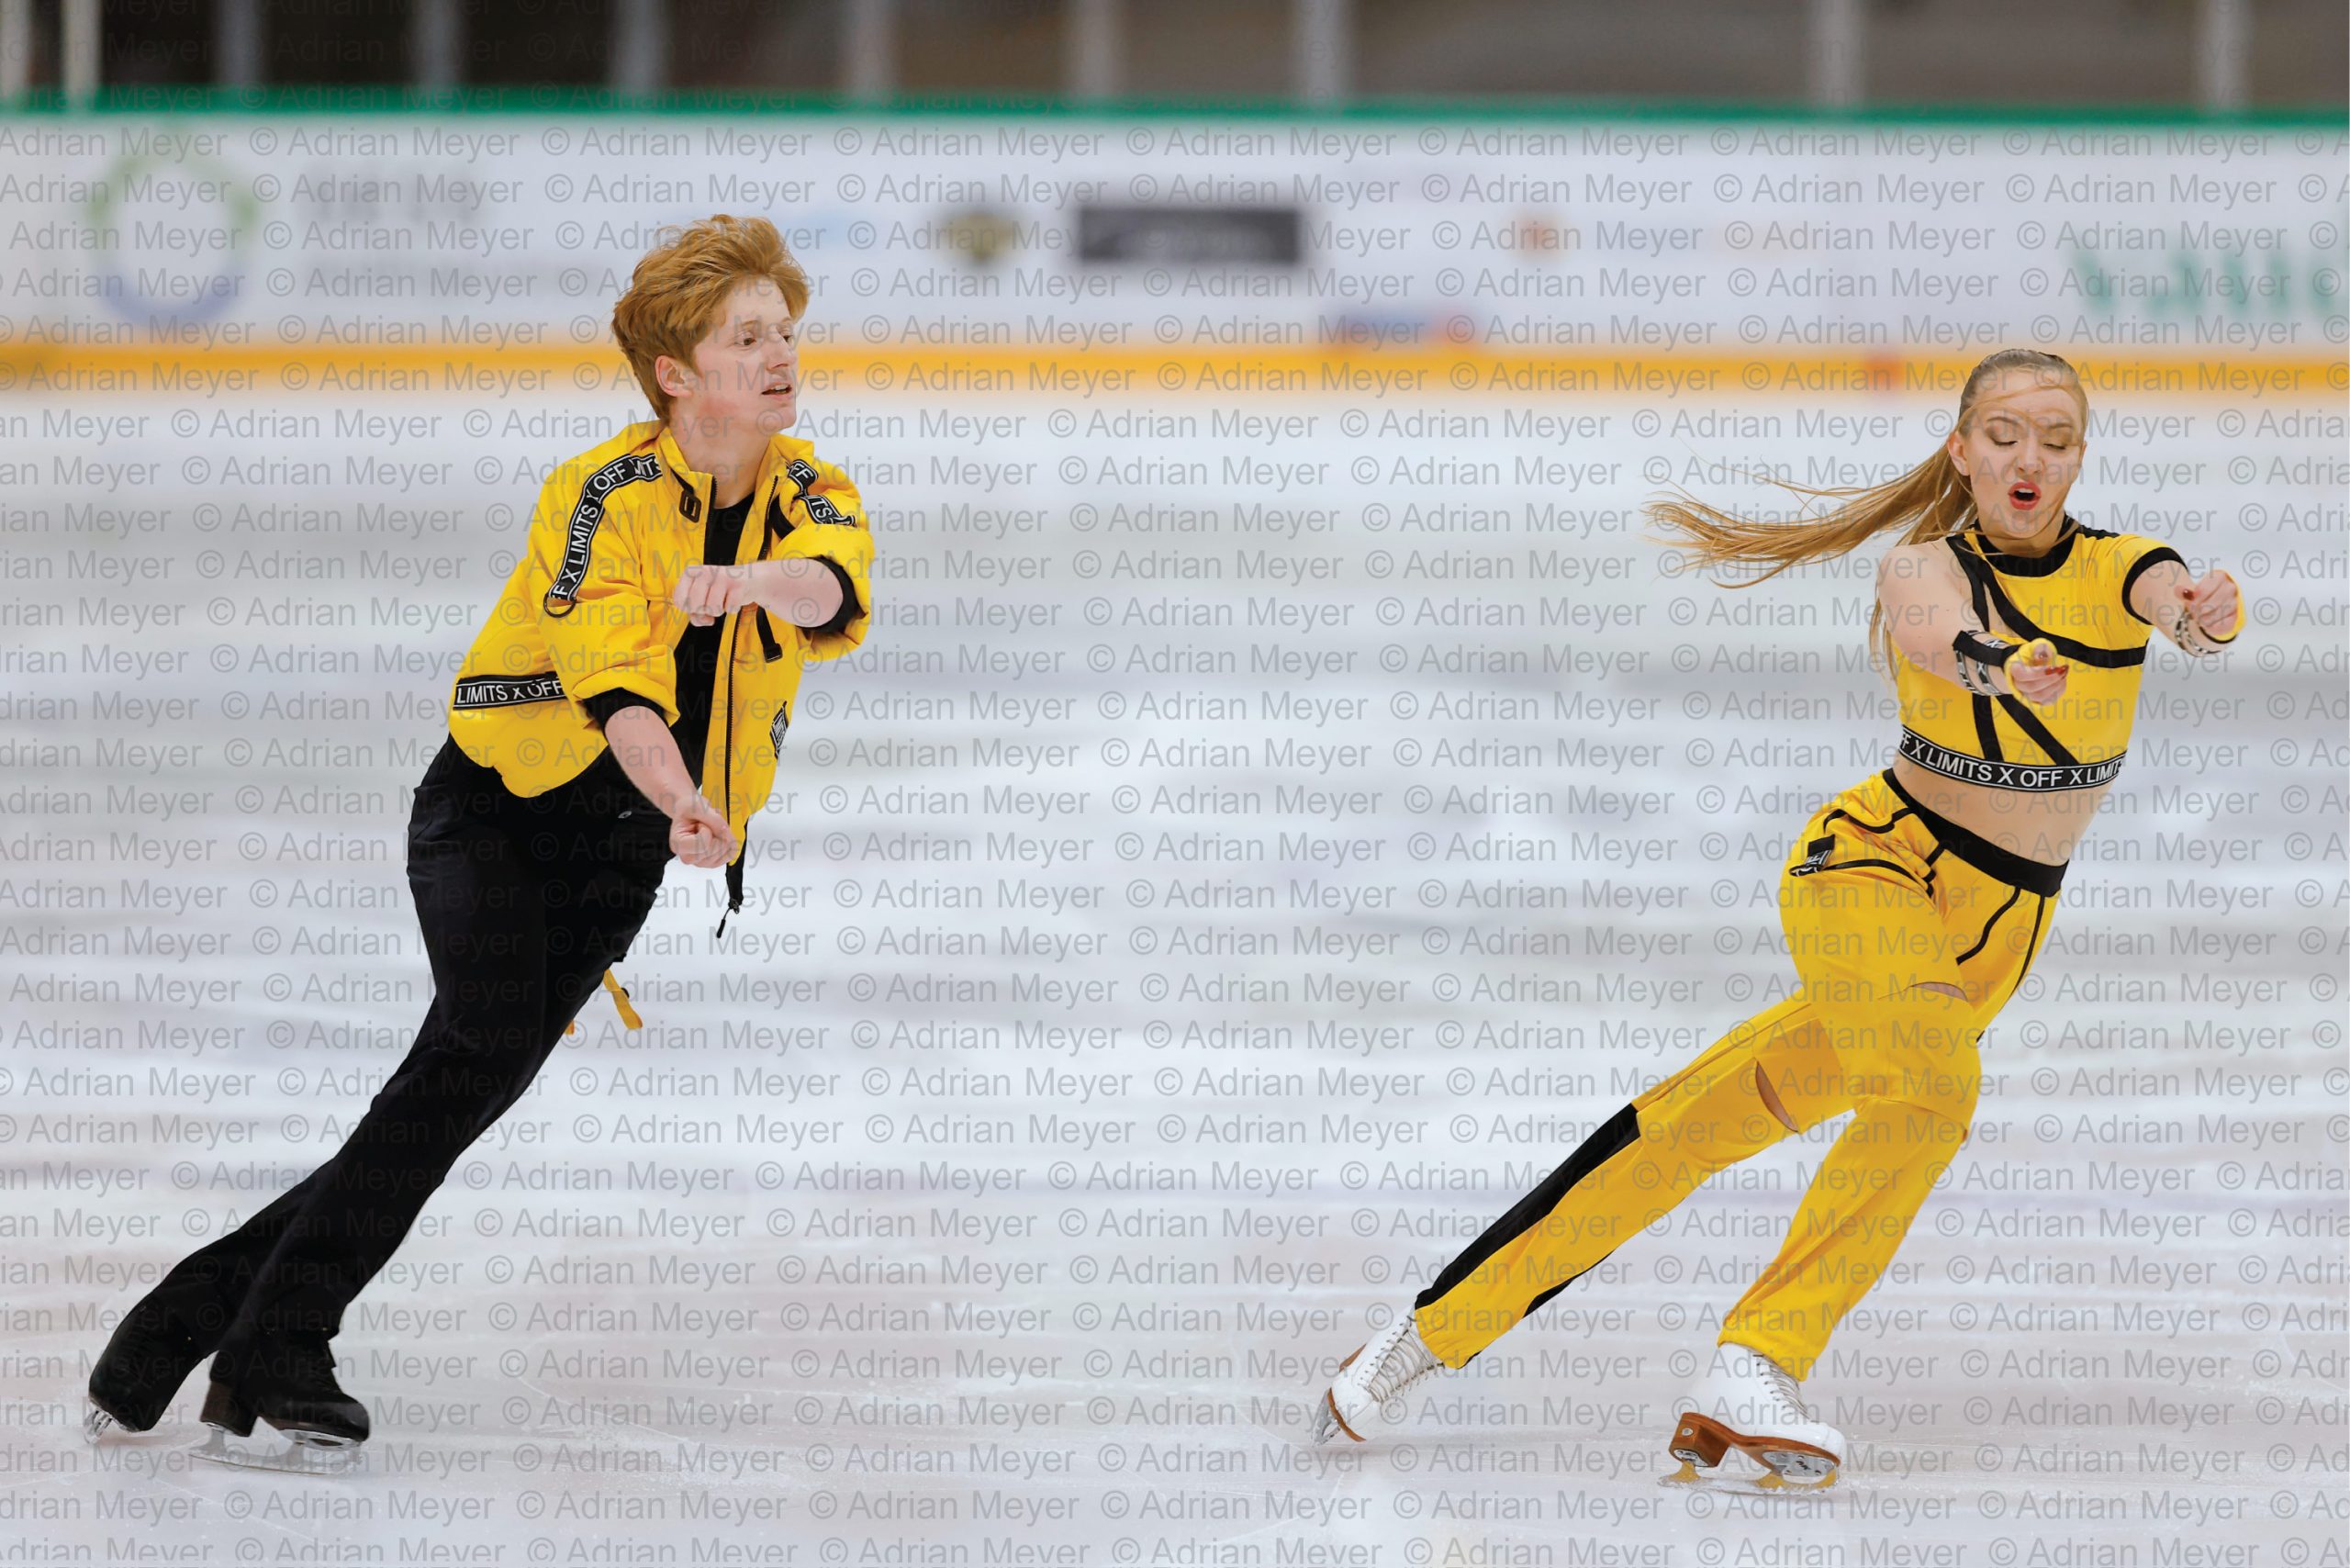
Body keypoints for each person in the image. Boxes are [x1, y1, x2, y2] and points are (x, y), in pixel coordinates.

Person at [1310, 349, 2245, 1488]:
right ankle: (1755, 1362)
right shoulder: (1921, 566)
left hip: (1994, 937)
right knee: (1934, 1092)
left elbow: (2173, 600)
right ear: (1961, 451)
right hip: (1870, 871)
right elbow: (1932, 628)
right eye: (2003, 434)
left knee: (1698, 1121)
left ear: (2079, 457)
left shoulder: (2118, 565)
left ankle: (1423, 1332)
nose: (2029, 456)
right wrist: (1995, 665)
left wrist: (2202, 615)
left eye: (2055, 436)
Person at [84, 214, 874, 1471]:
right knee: (470, 1062)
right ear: (677, 373)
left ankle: (179, 1326)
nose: (781, 355)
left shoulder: (812, 490)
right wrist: (682, 795)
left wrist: (752, 586)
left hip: (628, 851)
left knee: (459, 1089)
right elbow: (620, 696)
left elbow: (830, 583)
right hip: (499, 815)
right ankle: (274, 1354)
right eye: (748, 336)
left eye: (786, 331)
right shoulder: (598, 496)